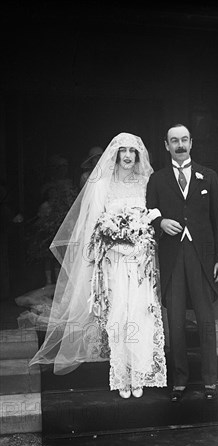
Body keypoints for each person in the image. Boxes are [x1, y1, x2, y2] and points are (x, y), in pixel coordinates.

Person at [29, 133, 167, 399]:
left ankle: (139, 373)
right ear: (115, 154)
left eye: (132, 151)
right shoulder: (102, 184)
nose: (127, 156)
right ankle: (121, 376)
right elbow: (93, 227)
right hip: (113, 261)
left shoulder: (146, 183)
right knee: (118, 314)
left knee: (140, 312)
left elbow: (153, 218)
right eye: (123, 150)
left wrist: (142, 241)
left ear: (138, 156)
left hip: (139, 262)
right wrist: (111, 241)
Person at [146, 123, 218, 401]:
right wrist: (160, 222)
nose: (179, 145)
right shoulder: (157, 179)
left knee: (205, 318)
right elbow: (148, 214)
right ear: (166, 145)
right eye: (174, 141)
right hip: (172, 257)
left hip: (202, 257)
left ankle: (209, 381)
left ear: (191, 142)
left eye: (184, 140)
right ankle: (178, 380)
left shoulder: (209, 176)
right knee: (176, 319)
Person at [27, 155, 77, 284]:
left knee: (61, 253)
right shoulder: (49, 185)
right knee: (47, 254)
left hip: (64, 221)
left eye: (64, 167)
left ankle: (60, 282)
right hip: (50, 222)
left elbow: (72, 202)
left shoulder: (70, 184)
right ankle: (49, 282)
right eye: (59, 167)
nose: (62, 169)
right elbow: (42, 199)